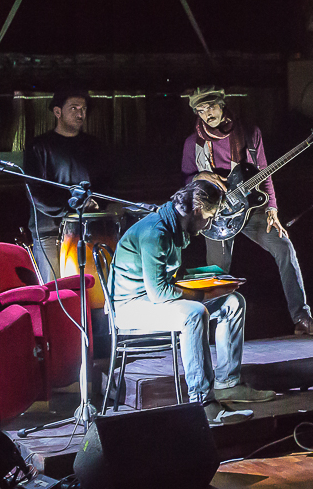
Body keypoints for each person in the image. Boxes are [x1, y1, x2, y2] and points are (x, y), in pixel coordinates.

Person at [109, 179, 275, 424]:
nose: (209, 224)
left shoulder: (171, 224)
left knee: (232, 302)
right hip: (131, 307)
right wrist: (203, 295)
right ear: (197, 210)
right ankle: (202, 401)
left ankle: (228, 383)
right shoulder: (156, 232)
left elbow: (168, 279)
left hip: (149, 298)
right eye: (209, 217)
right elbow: (159, 293)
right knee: (194, 313)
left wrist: (214, 282)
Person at [181, 86, 313, 336]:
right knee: (217, 275)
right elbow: (185, 181)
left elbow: (265, 171)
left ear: (222, 103)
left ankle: (302, 318)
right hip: (215, 216)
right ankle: (213, 331)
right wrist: (200, 175)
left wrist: (272, 206)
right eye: (200, 110)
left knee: (284, 247)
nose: (207, 113)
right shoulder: (192, 143)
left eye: (211, 106)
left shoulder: (249, 133)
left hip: (251, 208)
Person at [23, 90, 107, 282]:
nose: (80, 114)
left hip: (87, 227)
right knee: (55, 292)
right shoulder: (39, 146)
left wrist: (96, 204)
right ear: (57, 112)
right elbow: (35, 192)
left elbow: (106, 183)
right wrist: (69, 207)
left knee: (89, 288)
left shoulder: (93, 145)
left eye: (83, 109)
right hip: (50, 231)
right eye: (74, 108)